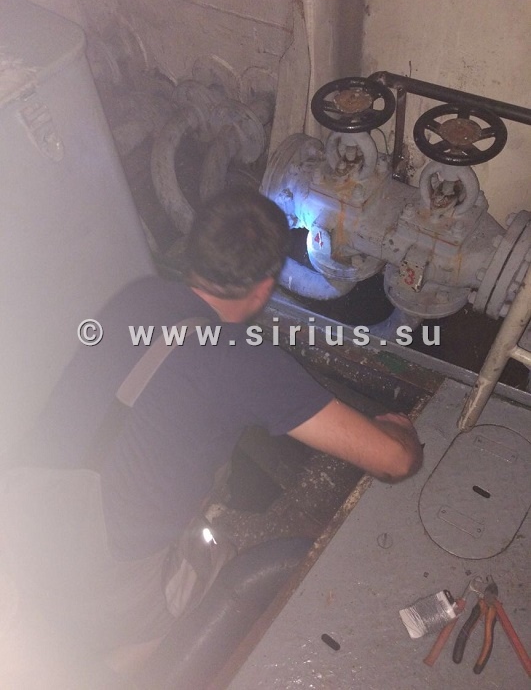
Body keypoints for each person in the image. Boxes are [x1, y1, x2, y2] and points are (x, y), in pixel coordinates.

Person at [0, 187, 422, 678]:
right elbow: (395, 462)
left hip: (19, 510)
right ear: (263, 290)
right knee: (205, 569)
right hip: (101, 565)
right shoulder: (245, 361)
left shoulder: (136, 296)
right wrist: (399, 431)